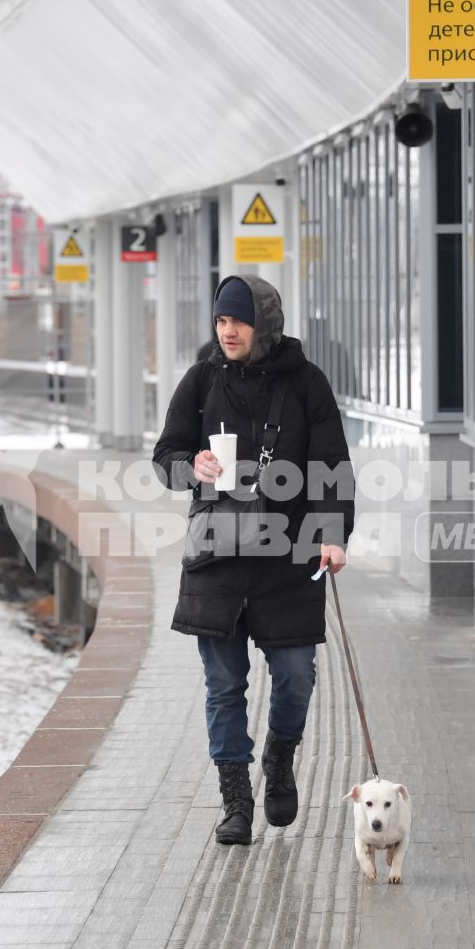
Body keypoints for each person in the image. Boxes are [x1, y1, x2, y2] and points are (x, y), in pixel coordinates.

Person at [152, 275, 355, 846]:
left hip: (287, 559)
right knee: (224, 686)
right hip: (216, 559)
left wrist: (332, 533)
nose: (228, 330)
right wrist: (192, 466)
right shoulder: (201, 381)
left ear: (264, 322)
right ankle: (236, 801)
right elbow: (164, 455)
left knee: (295, 678)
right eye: (221, 321)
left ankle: (279, 755)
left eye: (238, 320)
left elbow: (331, 468)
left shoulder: (307, 385)